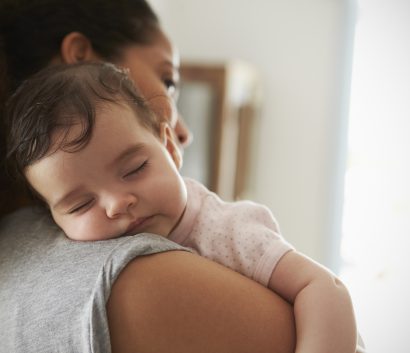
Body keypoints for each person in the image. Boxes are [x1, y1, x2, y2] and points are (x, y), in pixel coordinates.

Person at [0, 1, 298, 352]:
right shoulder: (136, 281)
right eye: (168, 81)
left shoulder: (228, 228)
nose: (183, 132)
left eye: (134, 168)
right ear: (81, 57)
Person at [6, 62, 358, 353]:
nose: (116, 204)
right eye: (82, 204)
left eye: (134, 169)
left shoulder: (227, 228)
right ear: (51, 218)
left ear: (170, 149)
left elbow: (324, 288)